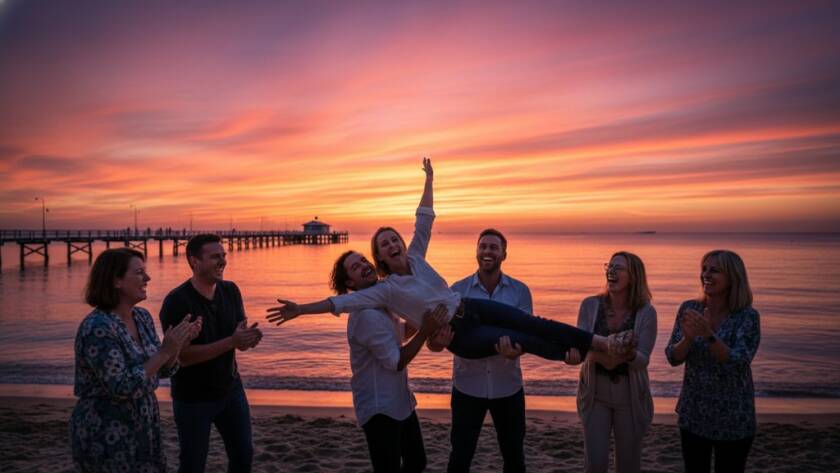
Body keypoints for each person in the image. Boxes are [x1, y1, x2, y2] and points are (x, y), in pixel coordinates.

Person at [267, 158, 635, 363]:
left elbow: (424, 219)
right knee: (517, 337)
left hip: (469, 306)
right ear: (380, 257)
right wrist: (301, 309)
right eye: (384, 245)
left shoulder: (416, 256)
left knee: (531, 322)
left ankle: (600, 343)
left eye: (394, 238)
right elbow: (341, 303)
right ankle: (573, 354)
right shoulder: (386, 290)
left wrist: (430, 179)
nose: (392, 244)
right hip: (461, 335)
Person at [70, 248, 202, 472]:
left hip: (144, 425)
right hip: (107, 430)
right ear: (116, 281)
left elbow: (162, 370)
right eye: (139, 272)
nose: (147, 278)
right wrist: (164, 351)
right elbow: (121, 386)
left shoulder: (142, 317)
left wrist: (178, 345)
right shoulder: (98, 327)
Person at [333, 250, 447, 472]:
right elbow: (396, 362)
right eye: (356, 267)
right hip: (380, 408)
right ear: (350, 283)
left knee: (417, 462)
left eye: (363, 260)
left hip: (401, 401)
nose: (364, 265)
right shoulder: (366, 315)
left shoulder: (381, 302)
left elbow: (399, 334)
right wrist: (425, 330)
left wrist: (423, 314)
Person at [428, 228, 532, 473]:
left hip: (508, 387)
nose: (487, 251)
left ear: (504, 254)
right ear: (476, 251)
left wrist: (516, 351)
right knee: (460, 457)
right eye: (483, 246)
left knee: (514, 457)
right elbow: (433, 343)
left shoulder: (520, 291)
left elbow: (527, 337)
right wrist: (440, 343)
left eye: (494, 247)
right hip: (467, 387)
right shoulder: (457, 291)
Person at [160, 234, 263, 473]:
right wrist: (232, 341)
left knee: (243, 456)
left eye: (223, 255)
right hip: (193, 398)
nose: (223, 261)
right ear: (194, 261)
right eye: (215, 256)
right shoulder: (177, 301)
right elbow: (182, 357)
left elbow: (237, 339)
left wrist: (247, 340)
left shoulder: (231, 290)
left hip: (231, 389)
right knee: (193, 464)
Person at [665, 250, 760, 473]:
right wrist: (688, 339)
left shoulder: (747, 316)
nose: (706, 275)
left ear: (732, 277)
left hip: (733, 416)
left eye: (714, 270)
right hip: (694, 413)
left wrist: (708, 335)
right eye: (704, 269)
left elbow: (739, 362)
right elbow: (672, 357)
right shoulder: (690, 308)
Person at [565, 252, 657, 473]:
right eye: (609, 267)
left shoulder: (646, 312)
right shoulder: (590, 305)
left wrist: (624, 354)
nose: (611, 272)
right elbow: (581, 348)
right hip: (595, 392)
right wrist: (610, 353)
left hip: (630, 395)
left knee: (628, 463)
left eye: (619, 268)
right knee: (595, 462)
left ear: (634, 276)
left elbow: (642, 360)